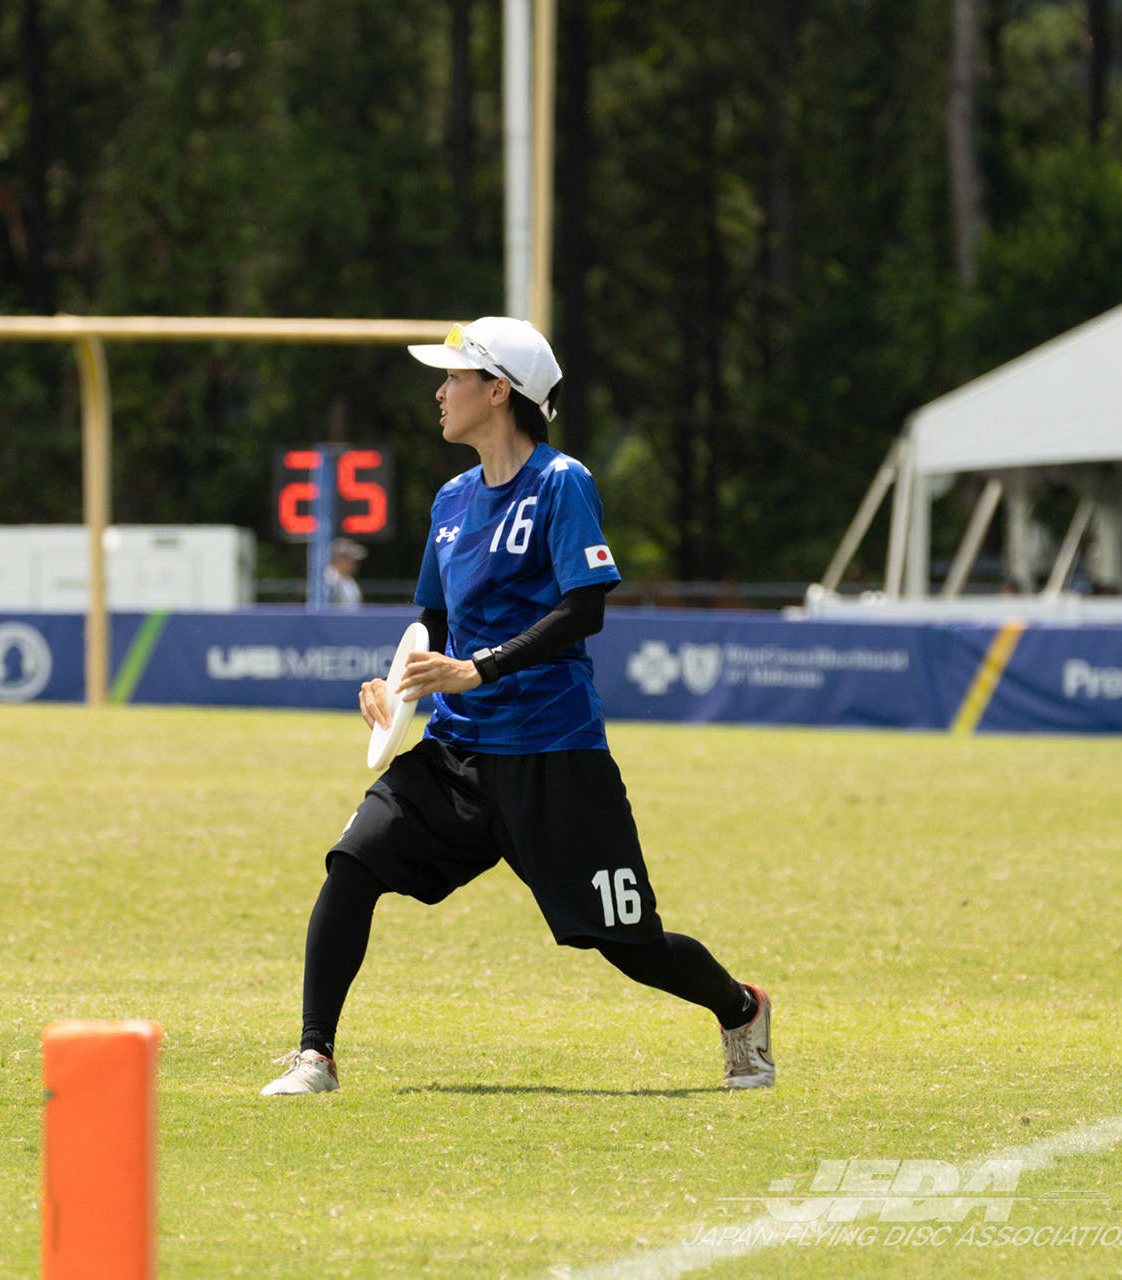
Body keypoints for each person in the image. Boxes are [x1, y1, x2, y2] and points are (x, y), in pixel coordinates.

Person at [260, 317, 773, 1097]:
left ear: (499, 392)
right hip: (455, 755)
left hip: (554, 755)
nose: (440, 393)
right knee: (352, 864)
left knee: (630, 943)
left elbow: (584, 608)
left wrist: (480, 668)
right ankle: (314, 1056)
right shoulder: (449, 501)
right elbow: (432, 625)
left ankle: (740, 1009)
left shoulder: (563, 482)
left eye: (454, 378)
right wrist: (393, 689)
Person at [323, 537, 367, 607]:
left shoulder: (346, 579)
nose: (355, 564)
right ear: (339, 559)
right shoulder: (328, 580)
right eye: (351, 560)